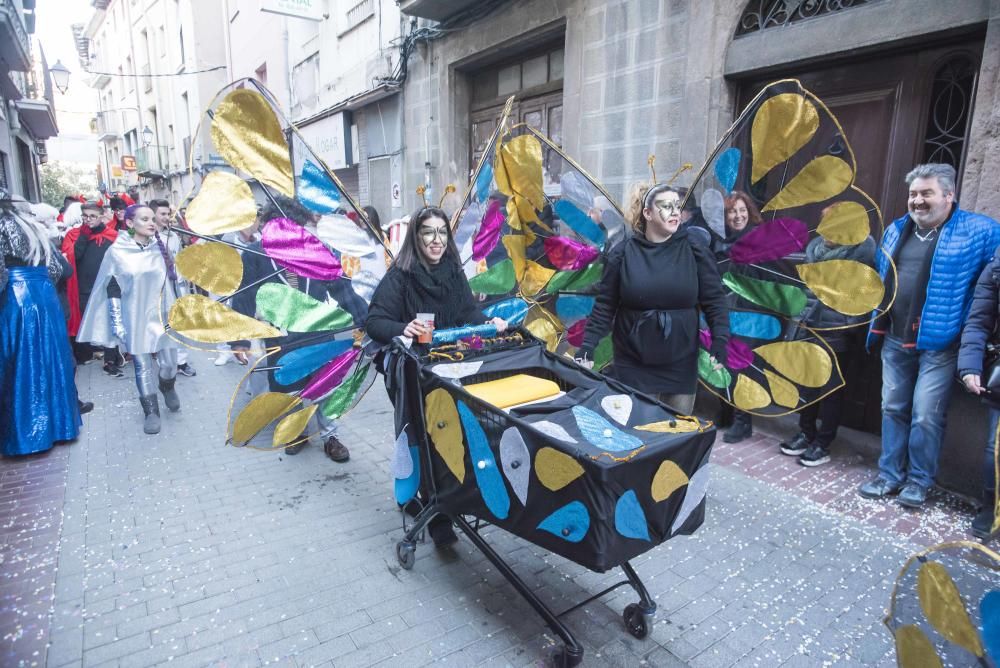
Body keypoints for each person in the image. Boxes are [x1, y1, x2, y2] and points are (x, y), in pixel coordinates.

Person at [366, 206, 508, 549]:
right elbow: (374, 321)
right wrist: (405, 327)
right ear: (416, 237)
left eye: (442, 232)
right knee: (425, 441)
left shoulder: (452, 272)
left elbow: (467, 312)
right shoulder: (400, 275)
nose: (436, 240)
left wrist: (488, 323)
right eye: (428, 232)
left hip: (449, 371)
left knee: (451, 436)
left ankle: (448, 499)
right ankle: (437, 516)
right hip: (413, 375)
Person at [860, 163, 1000, 508]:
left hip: (941, 342)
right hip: (893, 336)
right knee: (892, 407)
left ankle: (919, 481)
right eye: (913, 194)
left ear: (949, 196)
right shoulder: (896, 230)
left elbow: (990, 285)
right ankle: (889, 474)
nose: (917, 201)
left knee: (926, 414)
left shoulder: (981, 232)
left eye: (926, 193)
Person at [230, 195, 367, 461]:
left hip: (318, 331)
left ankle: (331, 436)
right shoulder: (256, 254)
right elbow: (244, 296)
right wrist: (239, 341)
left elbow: (341, 286)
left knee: (324, 386)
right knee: (289, 388)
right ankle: (298, 432)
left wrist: (365, 318)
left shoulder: (314, 251)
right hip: (281, 336)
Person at [576, 184, 729, 415]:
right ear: (647, 213)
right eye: (667, 206)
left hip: (681, 361)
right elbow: (605, 305)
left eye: (678, 206)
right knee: (638, 430)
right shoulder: (623, 254)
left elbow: (714, 299)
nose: (675, 212)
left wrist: (720, 339)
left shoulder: (694, 250)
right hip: (634, 361)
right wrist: (588, 345)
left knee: (675, 434)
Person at [77, 204, 182, 435]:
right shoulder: (117, 251)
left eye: (153, 219)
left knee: (169, 364)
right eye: (145, 219)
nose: (152, 223)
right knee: (143, 365)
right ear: (131, 224)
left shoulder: (160, 247)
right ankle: (151, 411)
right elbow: (112, 288)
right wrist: (117, 323)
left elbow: (174, 283)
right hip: (134, 317)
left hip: (163, 315)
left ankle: (167, 386)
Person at [778, 233, 877, 466]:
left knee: (831, 391)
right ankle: (806, 433)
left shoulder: (860, 259)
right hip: (810, 329)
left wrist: (847, 326)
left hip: (836, 334)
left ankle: (823, 444)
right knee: (808, 386)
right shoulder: (816, 253)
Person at [0, 192, 81, 455]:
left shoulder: (3, 225)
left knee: (22, 361)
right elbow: (59, 270)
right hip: (44, 295)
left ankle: (29, 435)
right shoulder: (35, 227)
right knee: (50, 357)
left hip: (17, 296)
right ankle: (60, 427)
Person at [957, 250, 1000, 537]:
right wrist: (969, 365)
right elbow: (979, 320)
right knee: (994, 448)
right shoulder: (997, 266)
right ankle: (991, 504)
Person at [718, 191, 763, 442]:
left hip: (750, 314)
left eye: (742, 210)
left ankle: (743, 421)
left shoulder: (757, 239)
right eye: (732, 211)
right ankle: (725, 412)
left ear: (750, 212)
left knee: (742, 367)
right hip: (727, 311)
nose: (738, 216)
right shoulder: (725, 241)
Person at [61, 201, 122, 375]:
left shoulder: (112, 235)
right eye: (85, 216)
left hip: (109, 285)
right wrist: (84, 236)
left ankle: (111, 359)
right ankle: (86, 353)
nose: (88, 220)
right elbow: (74, 258)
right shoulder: (74, 235)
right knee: (88, 321)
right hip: (84, 287)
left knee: (111, 320)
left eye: (92, 216)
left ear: (101, 216)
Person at [149, 198, 195, 377]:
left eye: (168, 214)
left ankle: (182, 362)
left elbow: (179, 262)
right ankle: (165, 363)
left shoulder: (173, 236)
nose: (167, 217)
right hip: (157, 290)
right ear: (153, 215)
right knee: (162, 327)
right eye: (163, 214)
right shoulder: (147, 237)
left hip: (176, 286)